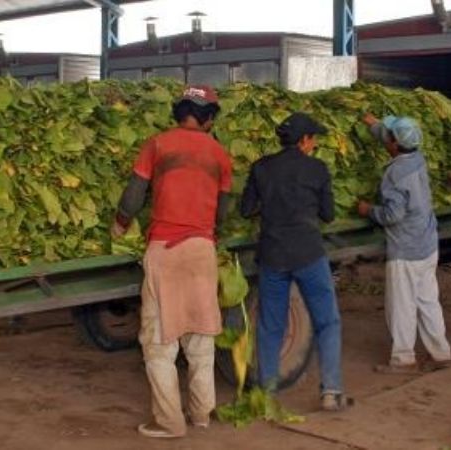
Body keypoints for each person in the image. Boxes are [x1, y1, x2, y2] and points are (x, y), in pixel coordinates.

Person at [111, 85, 232, 438]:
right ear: (208, 118)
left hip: (165, 250)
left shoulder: (157, 144)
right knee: (201, 337)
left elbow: (133, 196)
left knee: (159, 342)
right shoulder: (220, 154)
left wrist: (120, 223)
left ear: (180, 112)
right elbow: (223, 212)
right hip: (202, 249)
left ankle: (168, 422)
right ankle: (202, 413)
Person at [240, 112, 348, 411]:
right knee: (327, 321)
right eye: (313, 139)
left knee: (270, 324)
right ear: (304, 140)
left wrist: (269, 203)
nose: (314, 144)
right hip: (308, 254)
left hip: (272, 255)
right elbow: (328, 214)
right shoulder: (317, 169)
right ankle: (331, 391)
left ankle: (267, 392)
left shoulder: (261, 167)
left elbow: (246, 209)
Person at [357, 114, 451, 373]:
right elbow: (392, 138)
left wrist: (368, 210)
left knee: (401, 305)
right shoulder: (417, 158)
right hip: (426, 243)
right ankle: (441, 353)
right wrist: (374, 125)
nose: (386, 139)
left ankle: (403, 359)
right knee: (428, 301)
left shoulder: (395, 173)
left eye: (388, 137)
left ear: (395, 144)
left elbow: (393, 215)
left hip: (406, 249)